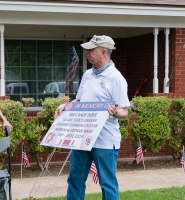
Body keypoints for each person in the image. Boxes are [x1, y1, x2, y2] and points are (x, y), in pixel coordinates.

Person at [55, 35, 130, 200]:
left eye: (91, 50)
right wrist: (65, 106)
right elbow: (80, 100)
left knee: (107, 183)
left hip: (104, 141)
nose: (87, 53)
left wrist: (115, 112)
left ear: (103, 52)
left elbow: (124, 111)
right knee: (75, 179)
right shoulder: (88, 74)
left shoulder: (116, 79)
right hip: (83, 137)